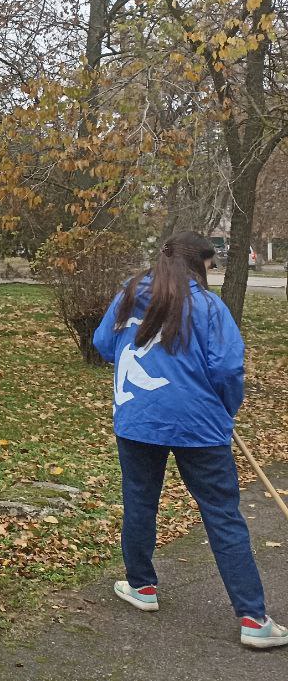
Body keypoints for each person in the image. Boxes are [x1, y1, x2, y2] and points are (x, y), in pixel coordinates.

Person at [93, 230, 288, 649]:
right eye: (210, 266)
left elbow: (104, 344)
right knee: (221, 512)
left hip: (138, 419)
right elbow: (227, 370)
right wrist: (226, 410)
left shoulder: (129, 293)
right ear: (199, 262)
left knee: (140, 500)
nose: (211, 274)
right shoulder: (208, 306)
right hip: (197, 424)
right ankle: (253, 618)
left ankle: (141, 586)